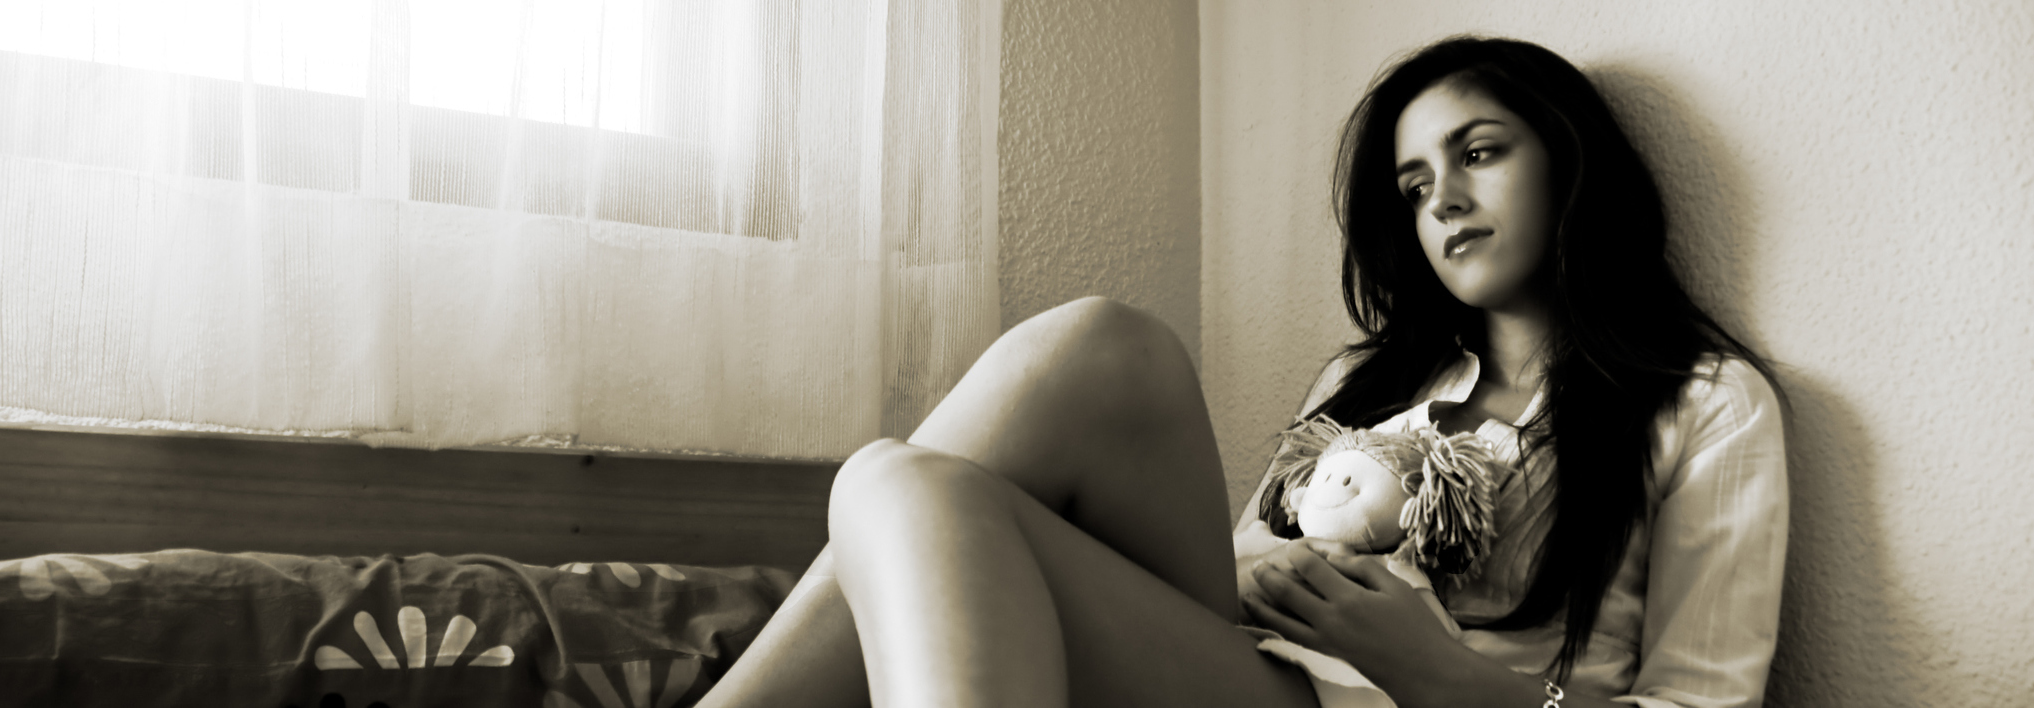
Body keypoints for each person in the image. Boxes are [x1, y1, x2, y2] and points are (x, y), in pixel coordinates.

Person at [693, 34, 1788, 708]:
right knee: (929, 459)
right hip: (1257, 672)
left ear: (1570, 163)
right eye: (1412, 186)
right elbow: (1247, 568)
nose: (1442, 199)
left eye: (1480, 152)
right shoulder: (1364, 385)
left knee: (907, 484)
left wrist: (1437, 674)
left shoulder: (1706, 405)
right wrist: (1265, 573)